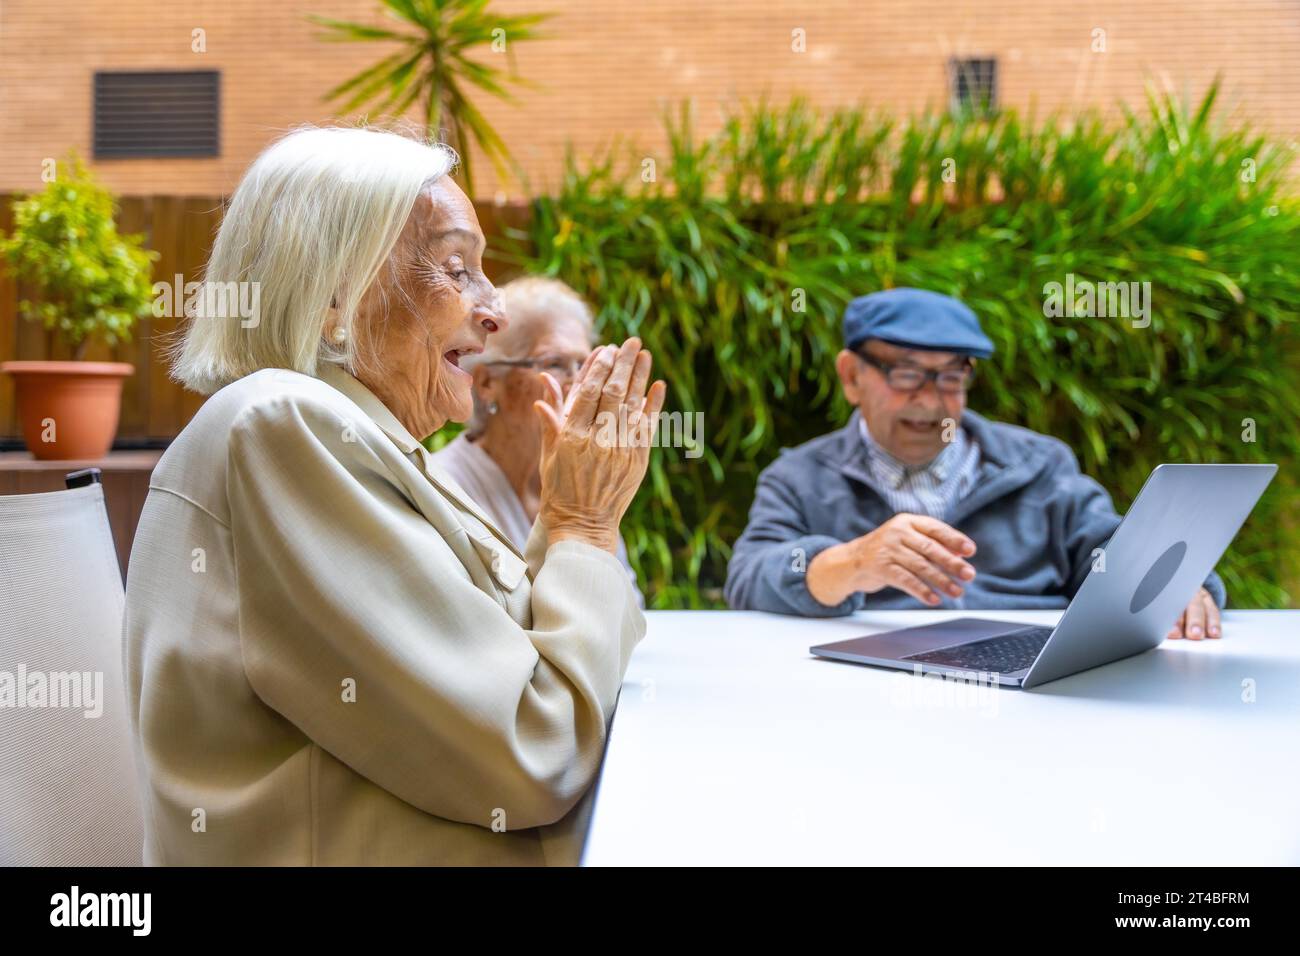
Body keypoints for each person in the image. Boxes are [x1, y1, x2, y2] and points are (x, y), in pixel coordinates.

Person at [123, 126, 666, 866]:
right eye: (455, 268)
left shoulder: (367, 444)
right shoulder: (284, 427)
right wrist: (579, 524)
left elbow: (526, 653)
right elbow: (537, 750)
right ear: (333, 297)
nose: (494, 310)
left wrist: (575, 517)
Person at [724, 287, 1225, 642]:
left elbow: (1107, 548)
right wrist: (852, 564)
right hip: (863, 690)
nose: (930, 400)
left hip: (1033, 684)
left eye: (951, 376)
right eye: (905, 373)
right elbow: (748, 579)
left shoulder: (1040, 463)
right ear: (851, 375)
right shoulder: (798, 478)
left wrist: (1171, 583)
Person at [430, 276, 643, 604]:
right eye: (556, 364)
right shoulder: (442, 490)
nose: (584, 385)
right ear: (488, 383)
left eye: (585, 366)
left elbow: (626, 605)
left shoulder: (583, 477)